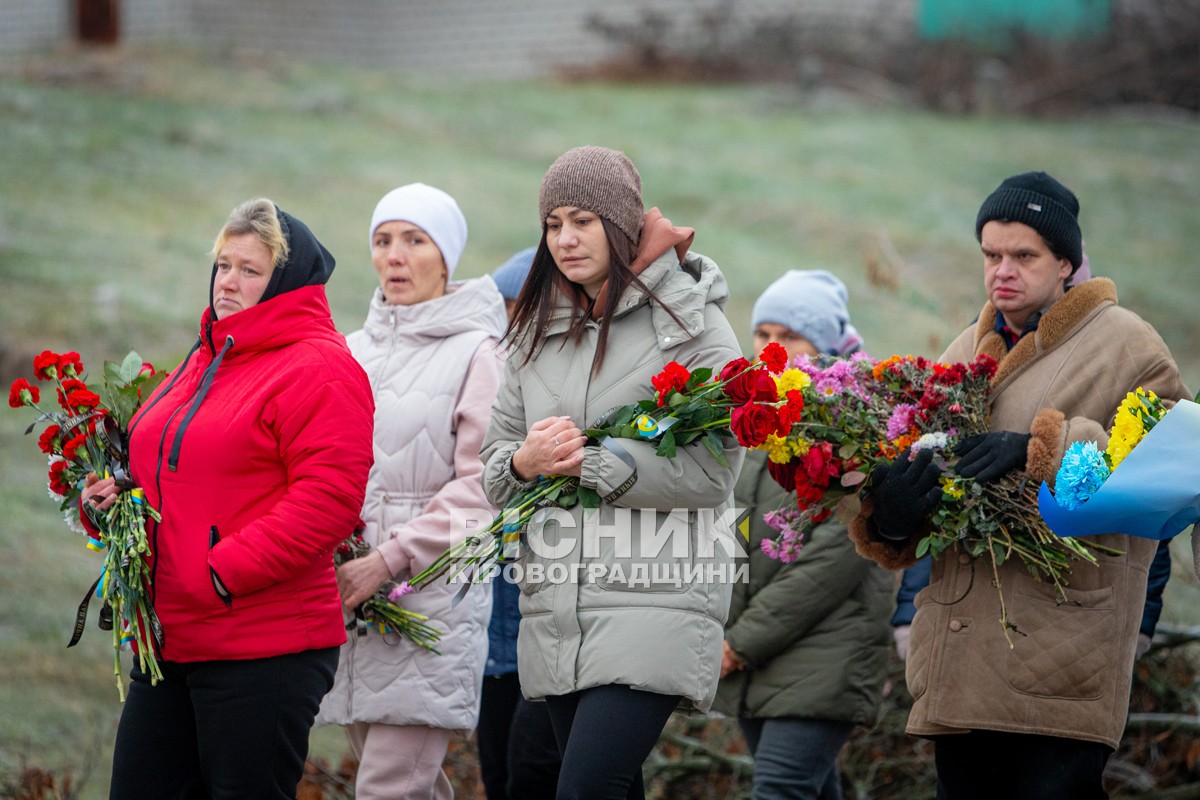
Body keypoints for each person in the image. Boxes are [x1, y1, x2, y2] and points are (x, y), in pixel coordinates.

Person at [850, 171, 1190, 800]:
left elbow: (1172, 472)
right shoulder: (960, 354)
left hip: (1063, 653)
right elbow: (921, 497)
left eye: (1023, 255)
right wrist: (892, 514)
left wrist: (1045, 449)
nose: (1002, 270)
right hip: (960, 656)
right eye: (991, 255)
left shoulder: (1128, 346)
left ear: (1066, 262)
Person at [81, 198, 375, 799]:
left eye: (249, 270)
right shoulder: (206, 356)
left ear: (286, 283)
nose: (228, 283)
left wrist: (217, 574)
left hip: (262, 648)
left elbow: (328, 501)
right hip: (172, 641)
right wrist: (112, 505)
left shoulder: (318, 367)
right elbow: (165, 473)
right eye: (223, 265)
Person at [480, 145, 744, 800]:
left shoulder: (693, 323)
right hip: (558, 606)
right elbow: (493, 468)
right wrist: (523, 461)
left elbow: (713, 472)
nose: (565, 240)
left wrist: (594, 462)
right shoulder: (534, 333)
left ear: (620, 224)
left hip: (654, 597)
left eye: (583, 221)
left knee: (586, 790)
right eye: (552, 224)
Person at [314, 183, 506, 800]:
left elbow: (484, 487)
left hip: (430, 601)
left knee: (388, 788)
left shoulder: (478, 353)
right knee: (404, 786)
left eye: (414, 240)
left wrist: (389, 559)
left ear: (445, 257)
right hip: (348, 599)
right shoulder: (347, 350)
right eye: (382, 240)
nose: (394, 255)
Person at [714, 269, 893, 800]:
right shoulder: (756, 417)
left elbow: (836, 559)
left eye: (789, 336)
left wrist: (740, 642)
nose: (772, 348)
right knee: (810, 790)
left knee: (781, 786)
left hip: (826, 645)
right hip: (758, 649)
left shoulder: (857, 420)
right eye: (763, 334)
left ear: (824, 344)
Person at [477, 245, 562, 800]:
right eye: (505, 307)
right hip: (491, 638)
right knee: (497, 775)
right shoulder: (493, 383)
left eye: (524, 306)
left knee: (535, 774)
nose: (514, 321)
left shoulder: (563, 387)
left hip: (550, 627)